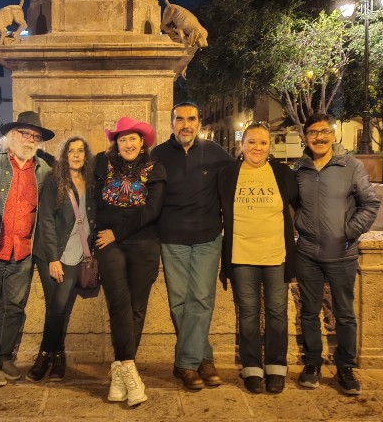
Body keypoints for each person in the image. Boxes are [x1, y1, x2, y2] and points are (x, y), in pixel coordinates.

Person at [294, 113, 380, 396]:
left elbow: (370, 203)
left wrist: (349, 232)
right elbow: (294, 205)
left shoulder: (351, 166)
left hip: (342, 253)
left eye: (324, 131)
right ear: (305, 137)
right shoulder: (300, 168)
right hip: (307, 252)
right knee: (309, 312)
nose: (319, 137)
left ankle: (345, 366)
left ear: (333, 135)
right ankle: (312, 363)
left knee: (344, 313)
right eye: (313, 132)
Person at [151, 102, 233, 390]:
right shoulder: (157, 155)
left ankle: (185, 363)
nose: (186, 125)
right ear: (171, 123)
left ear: (199, 123)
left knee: (200, 299)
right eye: (180, 119)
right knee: (178, 303)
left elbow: (238, 180)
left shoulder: (216, 153)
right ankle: (204, 358)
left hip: (207, 238)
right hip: (172, 238)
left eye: (191, 119)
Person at [217, 121, 299, 395]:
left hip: (276, 255)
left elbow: (302, 206)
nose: (257, 147)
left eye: (263, 142)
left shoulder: (282, 174)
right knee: (248, 313)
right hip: (241, 255)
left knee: (277, 313)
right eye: (251, 142)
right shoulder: (228, 174)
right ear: (241, 144)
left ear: (269, 146)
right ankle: (251, 367)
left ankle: (276, 367)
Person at [0, 111, 53, 387]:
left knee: (15, 308)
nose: (29, 139)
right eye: (24, 133)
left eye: (35, 136)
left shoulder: (43, 169)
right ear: (11, 134)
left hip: (23, 250)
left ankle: (5, 356)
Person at [94, 117, 166, 407]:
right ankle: (130, 371)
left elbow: (152, 210)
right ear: (116, 143)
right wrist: (105, 233)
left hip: (144, 243)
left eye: (133, 138)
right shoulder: (101, 164)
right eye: (122, 139)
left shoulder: (156, 169)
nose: (128, 144)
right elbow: (93, 201)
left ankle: (121, 370)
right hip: (107, 243)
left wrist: (118, 232)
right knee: (119, 303)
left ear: (142, 142)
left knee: (136, 307)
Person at [26, 136, 96, 382]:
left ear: (86, 155)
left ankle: (48, 355)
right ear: (64, 156)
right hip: (51, 253)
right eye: (71, 151)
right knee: (55, 307)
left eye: (80, 151)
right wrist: (54, 258)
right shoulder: (53, 180)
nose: (76, 155)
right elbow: (45, 219)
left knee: (57, 307)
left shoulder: (91, 182)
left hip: (77, 253)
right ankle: (54, 355)